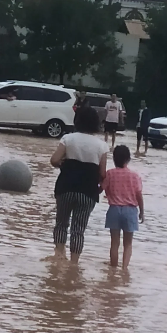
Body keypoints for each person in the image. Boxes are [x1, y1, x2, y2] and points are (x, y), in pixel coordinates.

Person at [50, 106, 108, 261]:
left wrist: (64, 164)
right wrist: (102, 187)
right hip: (88, 191)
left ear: (77, 121)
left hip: (65, 187)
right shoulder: (101, 145)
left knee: (61, 223)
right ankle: (74, 263)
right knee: (78, 229)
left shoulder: (68, 139)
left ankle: (59, 256)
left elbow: (54, 160)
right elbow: (103, 173)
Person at [101, 145, 144, 269]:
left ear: (114, 159)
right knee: (128, 244)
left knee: (114, 243)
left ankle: (113, 268)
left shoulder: (109, 174)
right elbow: (139, 195)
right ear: (128, 159)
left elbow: (101, 189)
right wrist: (142, 212)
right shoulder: (134, 176)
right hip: (130, 211)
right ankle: (124, 269)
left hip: (114, 209)